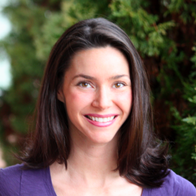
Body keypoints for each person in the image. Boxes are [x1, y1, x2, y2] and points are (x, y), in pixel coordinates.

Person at [0, 18, 195, 196]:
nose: (102, 102)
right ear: (59, 89)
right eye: (85, 83)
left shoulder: (178, 192)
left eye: (118, 84)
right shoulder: (9, 188)